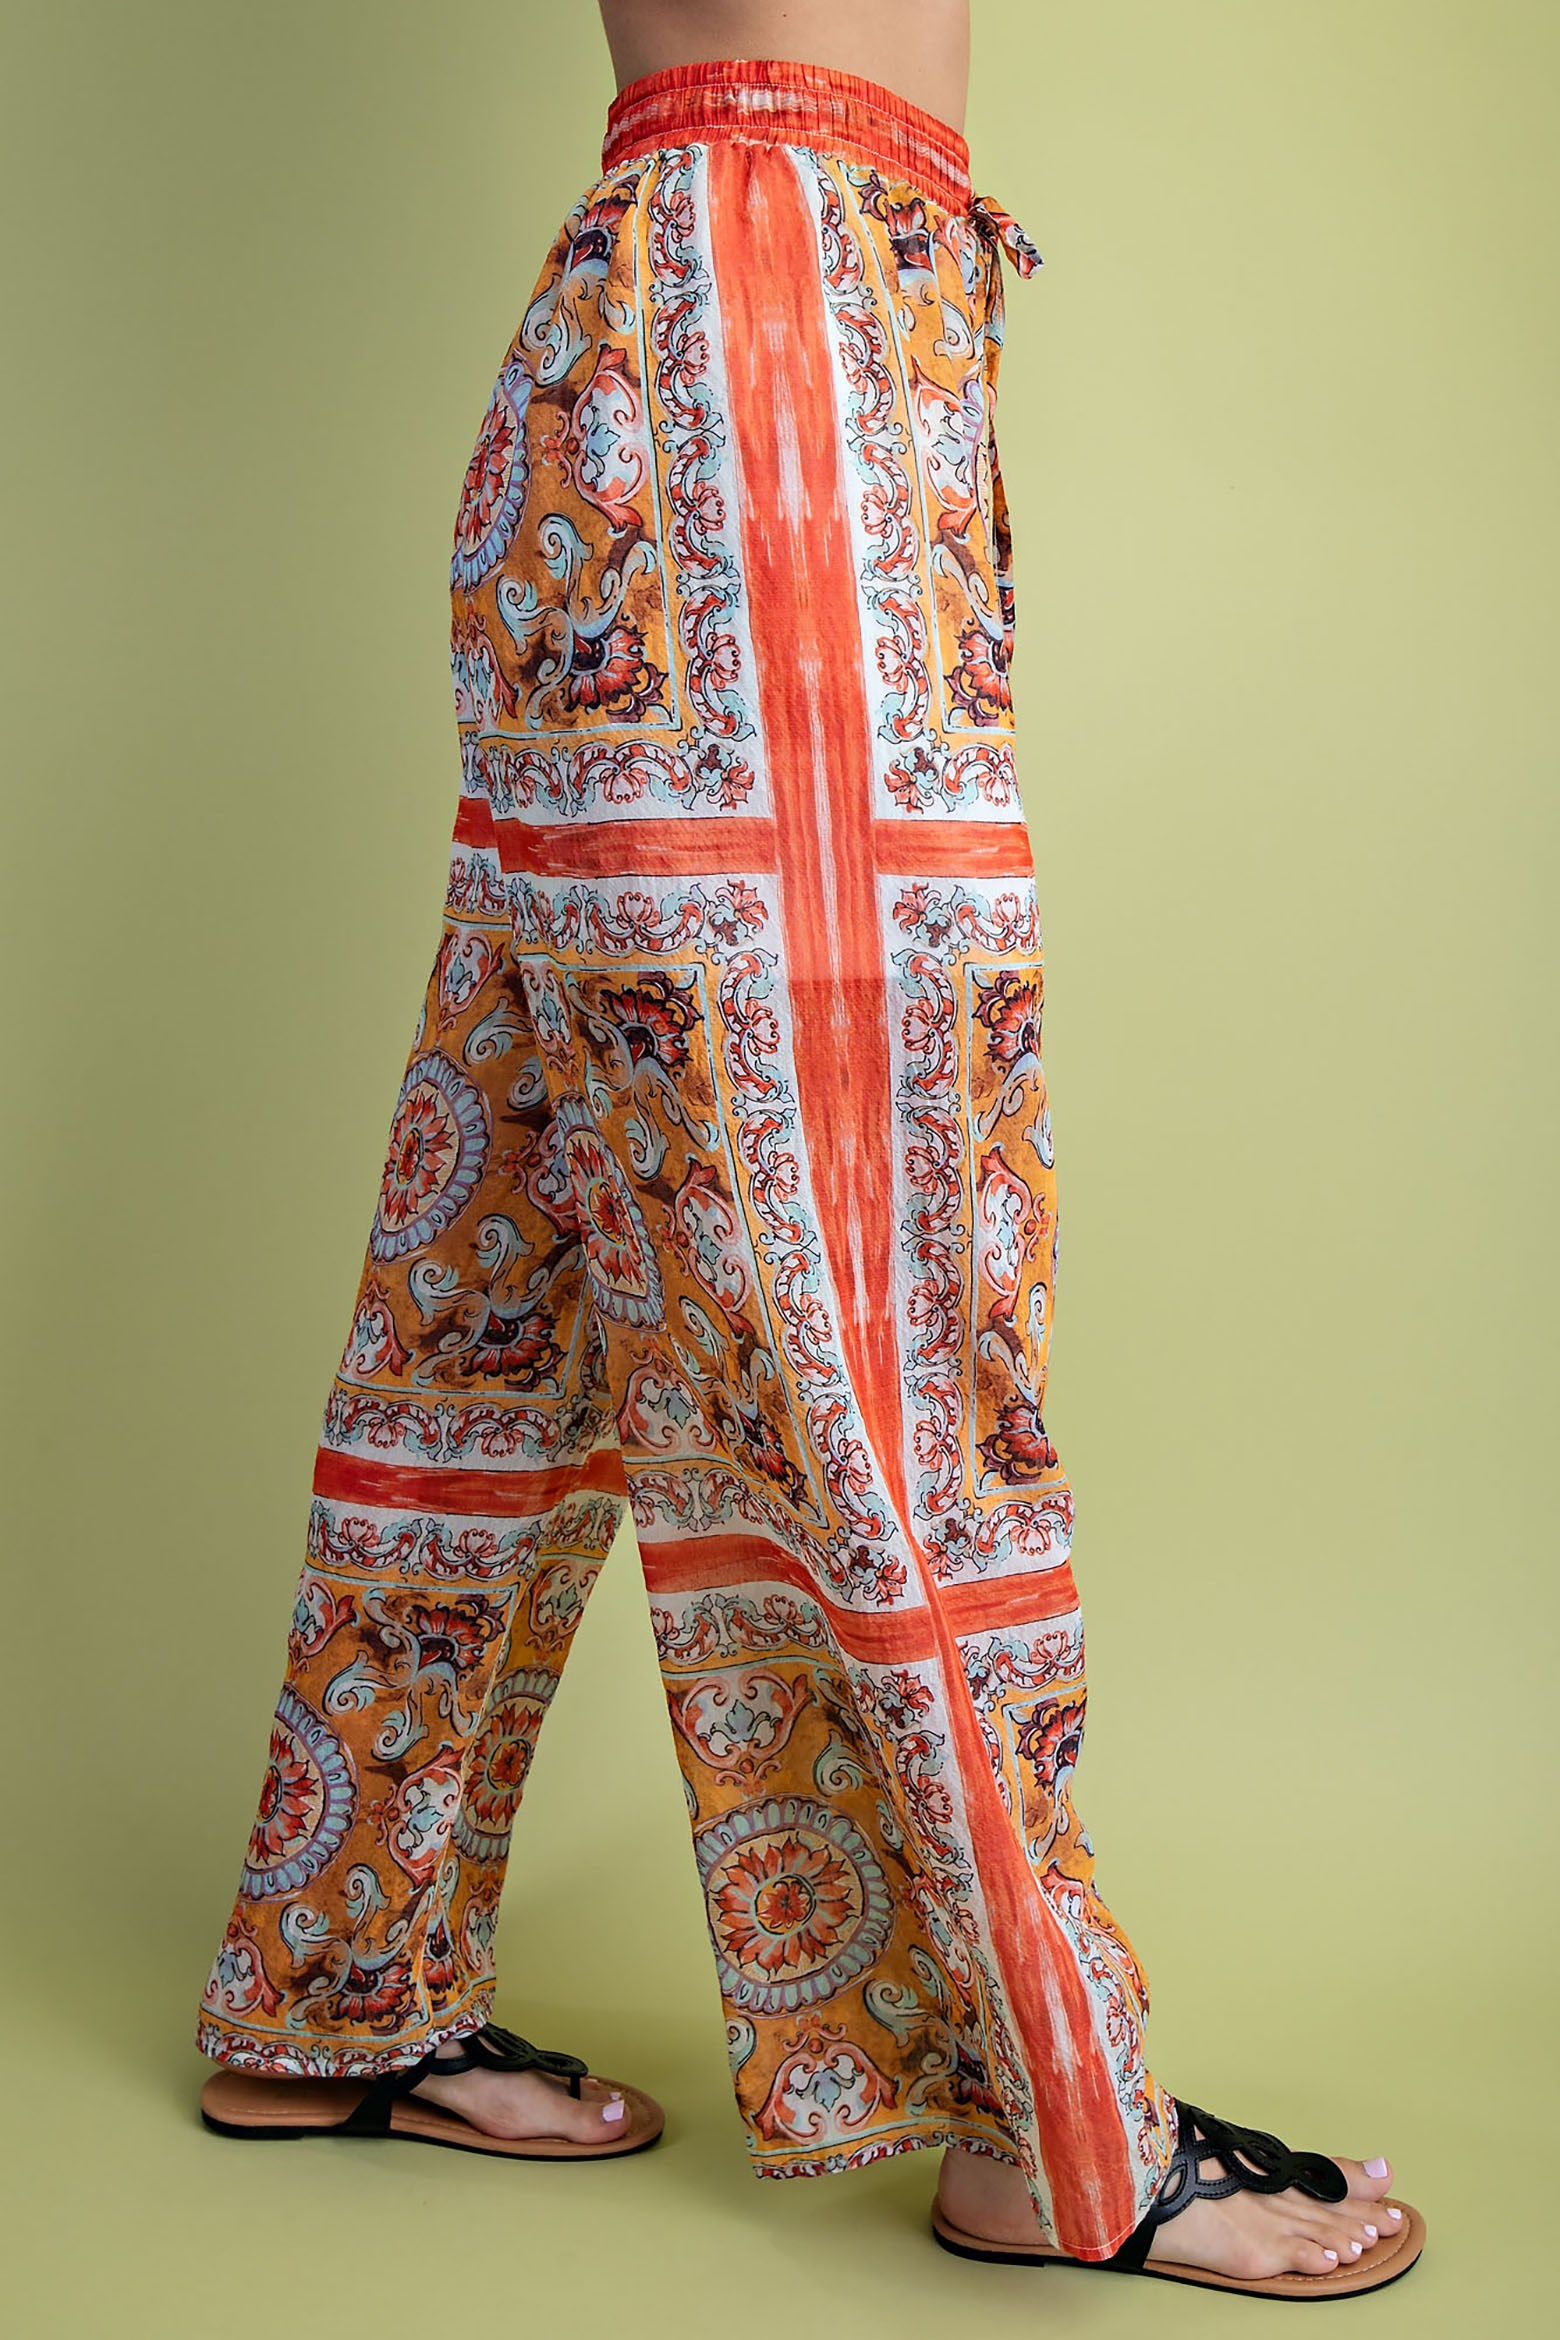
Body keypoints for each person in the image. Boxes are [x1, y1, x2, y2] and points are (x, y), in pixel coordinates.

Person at [194, 0, 1423, 2301]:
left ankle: (332, 1986)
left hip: (744, 321)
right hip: (767, 336)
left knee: (520, 1236)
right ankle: (1043, 2115)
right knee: (863, 1248)